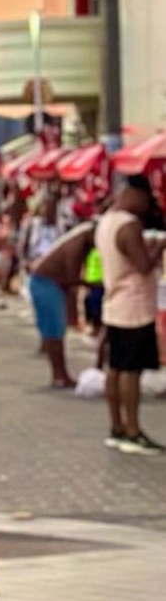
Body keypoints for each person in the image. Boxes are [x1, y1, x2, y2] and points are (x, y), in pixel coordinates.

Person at [95, 175, 166, 453]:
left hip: (114, 303)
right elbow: (143, 265)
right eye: (145, 199)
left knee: (115, 367)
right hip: (134, 306)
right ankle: (132, 429)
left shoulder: (106, 221)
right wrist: (159, 246)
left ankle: (117, 426)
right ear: (133, 194)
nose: (146, 206)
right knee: (130, 371)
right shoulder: (128, 225)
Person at [27, 220, 96, 389]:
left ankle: (61, 374)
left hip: (48, 284)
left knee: (56, 330)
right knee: (54, 331)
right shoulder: (77, 244)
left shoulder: (79, 241)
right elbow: (72, 277)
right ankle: (59, 375)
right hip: (47, 283)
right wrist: (93, 285)